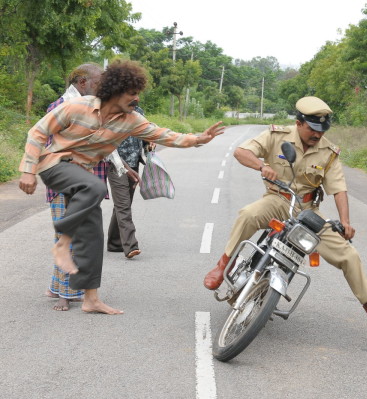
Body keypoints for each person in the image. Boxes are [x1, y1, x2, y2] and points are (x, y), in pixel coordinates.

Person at [19, 59, 225, 315]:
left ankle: (90, 299)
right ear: (115, 91)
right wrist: (28, 171)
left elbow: (164, 135)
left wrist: (198, 139)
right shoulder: (76, 107)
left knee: (94, 238)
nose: (137, 99)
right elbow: (37, 133)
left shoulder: (131, 120)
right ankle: (63, 241)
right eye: (132, 93)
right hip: (55, 166)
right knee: (94, 187)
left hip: (82, 174)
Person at [203, 96, 367, 338]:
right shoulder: (275, 136)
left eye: (322, 130)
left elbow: (339, 189)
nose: (317, 134)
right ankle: (221, 266)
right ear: (299, 122)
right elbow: (241, 152)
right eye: (312, 128)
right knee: (248, 214)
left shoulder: (329, 152)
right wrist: (261, 166)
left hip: (309, 210)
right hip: (278, 199)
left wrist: (345, 222)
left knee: (349, 254)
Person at [44, 63, 104, 311]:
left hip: (85, 182)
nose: (102, 87)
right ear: (82, 82)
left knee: (81, 236)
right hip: (67, 182)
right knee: (66, 237)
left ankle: (56, 287)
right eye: (98, 82)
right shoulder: (62, 106)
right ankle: (64, 294)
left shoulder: (94, 107)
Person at [106, 105, 155, 259]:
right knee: (123, 205)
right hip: (116, 164)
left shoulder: (139, 112)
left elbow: (145, 135)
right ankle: (130, 245)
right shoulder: (109, 112)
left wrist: (149, 144)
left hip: (134, 163)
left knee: (123, 203)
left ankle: (114, 243)